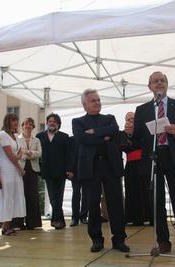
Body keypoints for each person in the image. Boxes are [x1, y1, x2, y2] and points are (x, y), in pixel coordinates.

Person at [133, 71, 175, 257]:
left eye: (162, 80)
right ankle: (163, 241)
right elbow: (138, 139)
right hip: (153, 158)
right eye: (155, 81)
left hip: (174, 157)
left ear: (167, 84)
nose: (159, 84)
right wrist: (132, 132)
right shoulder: (142, 110)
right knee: (157, 203)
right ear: (150, 87)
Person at [72, 89, 129, 253]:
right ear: (85, 105)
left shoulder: (109, 118)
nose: (97, 102)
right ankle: (96, 239)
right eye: (93, 101)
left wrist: (95, 132)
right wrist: (104, 137)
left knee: (116, 203)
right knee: (93, 204)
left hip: (110, 165)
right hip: (90, 167)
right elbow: (81, 138)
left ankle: (119, 239)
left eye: (98, 99)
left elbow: (114, 131)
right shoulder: (78, 122)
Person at [36, 113, 73, 230]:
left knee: (59, 196)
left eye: (54, 121)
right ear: (47, 123)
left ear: (58, 124)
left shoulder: (64, 136)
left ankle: (57, 220)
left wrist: (70, 169)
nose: (52, 123)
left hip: (61, 171)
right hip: (47, 171)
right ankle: (59, 220)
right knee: (53, 197)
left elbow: (69, 155)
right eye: (50, 121)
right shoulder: (39, 136)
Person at [0, 113, 26, 236]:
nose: (16, 122)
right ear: (8, 121)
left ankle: (9, 225)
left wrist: (17, 159)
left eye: (17, 120)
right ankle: (5, 227)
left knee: (13, 196)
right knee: (7, 196)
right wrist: (20, 168)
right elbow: (11, 156)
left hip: (14, 170)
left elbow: (18, 154)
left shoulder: (15, 136)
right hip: (6, 169)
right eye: (13, 120)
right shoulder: (2, 134)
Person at [119, 112, 151, 226]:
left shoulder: (142, 130)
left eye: (132, 118)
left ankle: (149, 216)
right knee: (131, 191)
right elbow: (125, 147)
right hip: (131, 165)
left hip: (144, 163)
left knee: (146, 191)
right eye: (128, 119)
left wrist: (132, 139)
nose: (130, 121)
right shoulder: (123, 133)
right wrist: (130, 137)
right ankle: (134, 218)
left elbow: (144, 144)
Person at [18, 117, 43, 230]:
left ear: (33, 127)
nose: (28, 126)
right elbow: (15, 153)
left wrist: (28, 152)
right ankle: (18, 223)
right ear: (22, 126)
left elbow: (39, 153)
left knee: (32, 195)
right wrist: (25, 155)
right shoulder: (16, 139)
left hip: (33, 168)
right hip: (20, 168)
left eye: (30, 124)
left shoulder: (36, 140)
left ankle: (33, 223)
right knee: (20, 194)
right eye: (26, 124)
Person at [69, 136, 89, 227]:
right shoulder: (71, 139)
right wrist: (69, 170)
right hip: (75, 170)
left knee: (86, 194)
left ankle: (84, 216)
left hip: (86, 169)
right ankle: (74, 217)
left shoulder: (88, 138)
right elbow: (68, 155)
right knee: (76, 193)